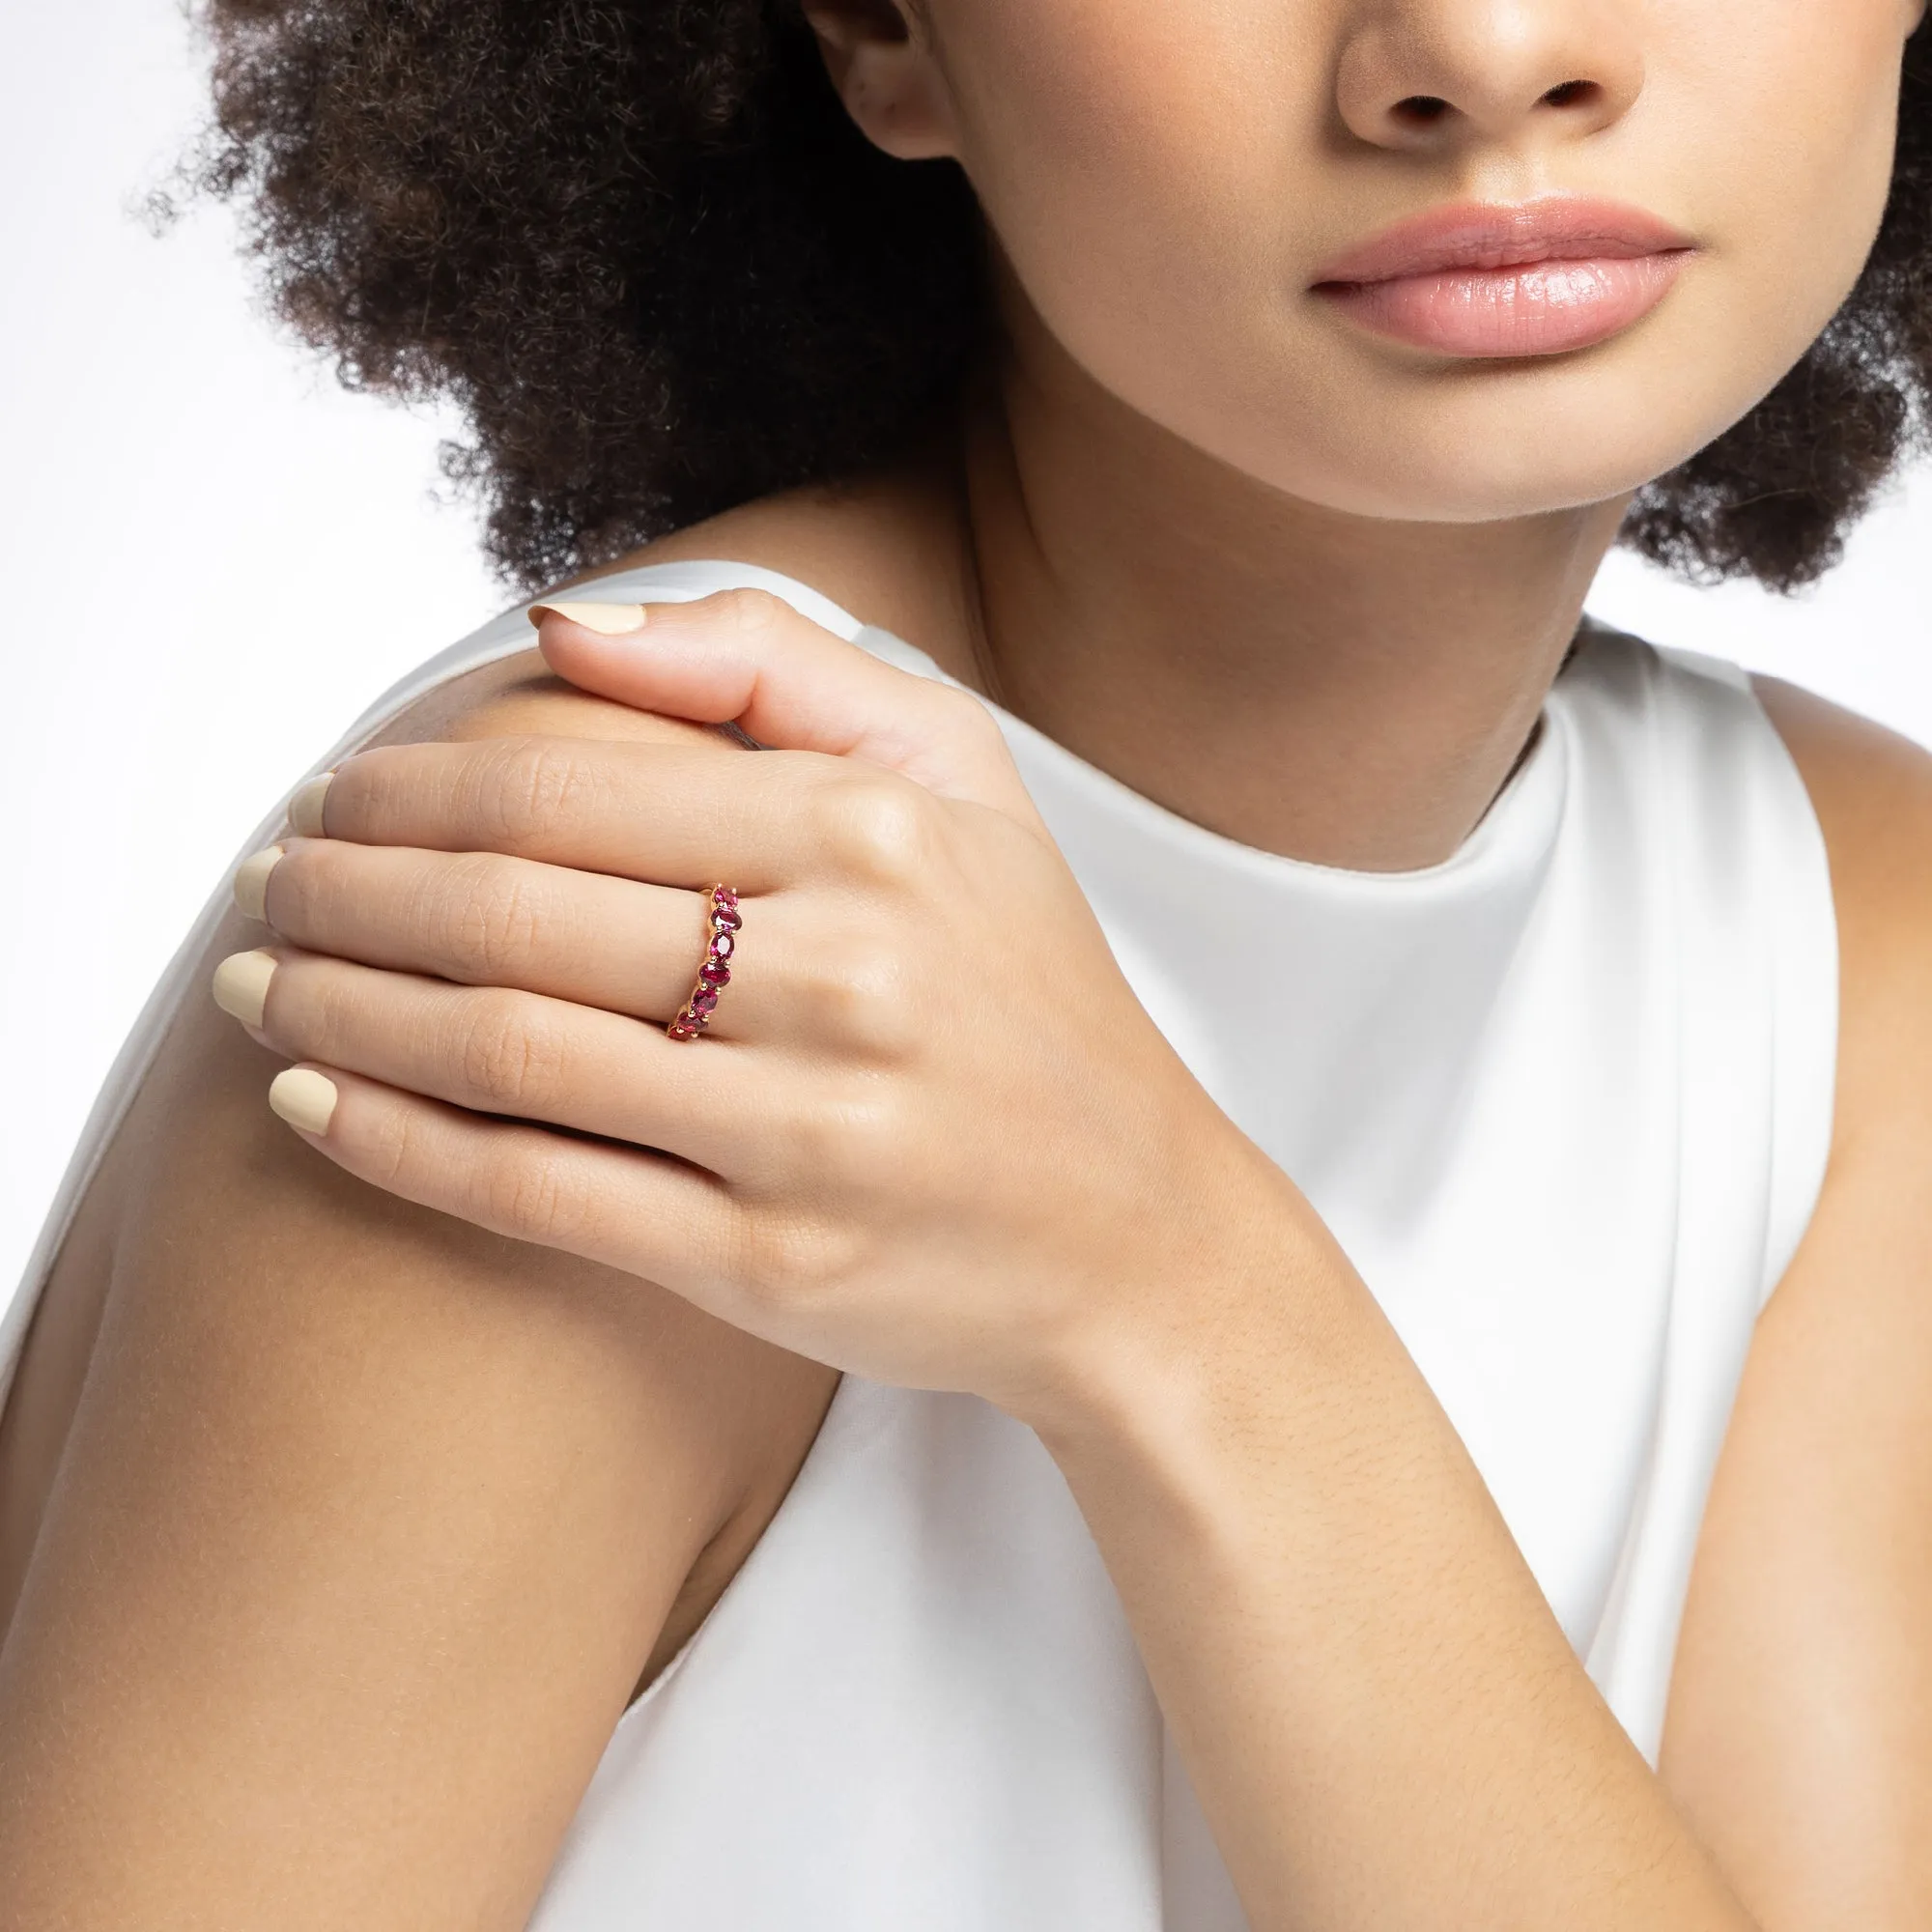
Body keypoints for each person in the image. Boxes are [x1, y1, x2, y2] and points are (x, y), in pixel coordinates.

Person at [1, 0, 1928, 1924]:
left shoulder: (1845, 932)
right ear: (880, 30)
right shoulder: (637, 926)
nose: (1487, 48)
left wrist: (1192, 1305)